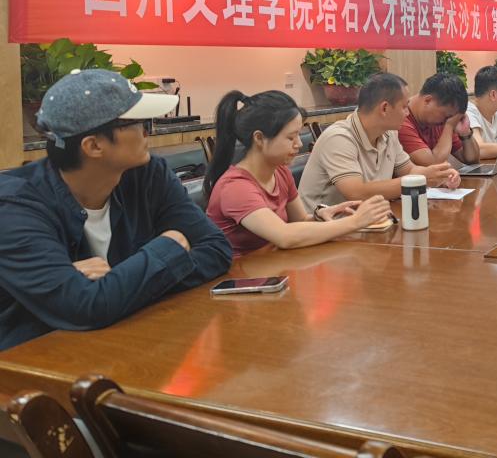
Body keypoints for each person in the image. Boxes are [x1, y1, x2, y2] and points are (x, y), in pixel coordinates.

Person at [0, 70, 231, 351]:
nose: (148, 131)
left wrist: (118, 284)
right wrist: (167, 251)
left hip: (127, 346)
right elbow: (83, 307)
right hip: (36, 362)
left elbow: (217, 249)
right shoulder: (14, 206)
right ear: (94, 145)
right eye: (139, 123)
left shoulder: (147, 174)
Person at [204, 91, 392, 256]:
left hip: (273, 265)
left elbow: (300, 220)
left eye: (298, 135)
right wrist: (355, 221)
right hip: (240, 276)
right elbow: (285, 236)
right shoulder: (236, 187)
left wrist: (319, 216)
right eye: (290, 137)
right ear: (259, 138)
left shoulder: (280, 172)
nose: (299, 144)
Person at [298, 73, 460, 210]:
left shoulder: (389, 134)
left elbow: (409, 170)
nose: (407, 113)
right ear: (384, 108)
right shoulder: (339, 138)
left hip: (365, 222)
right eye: (404, 107)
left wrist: (439, 175)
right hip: (323, 228)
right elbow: (356, 192)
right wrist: (422, 179)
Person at [398, 73, 480, 166]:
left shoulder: (439, 119)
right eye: (446, 116)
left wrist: (465, 133)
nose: (447, 121)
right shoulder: (401, 120)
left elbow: (471, 160)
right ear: (428, 100)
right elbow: (432, 164)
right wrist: (449, 126)